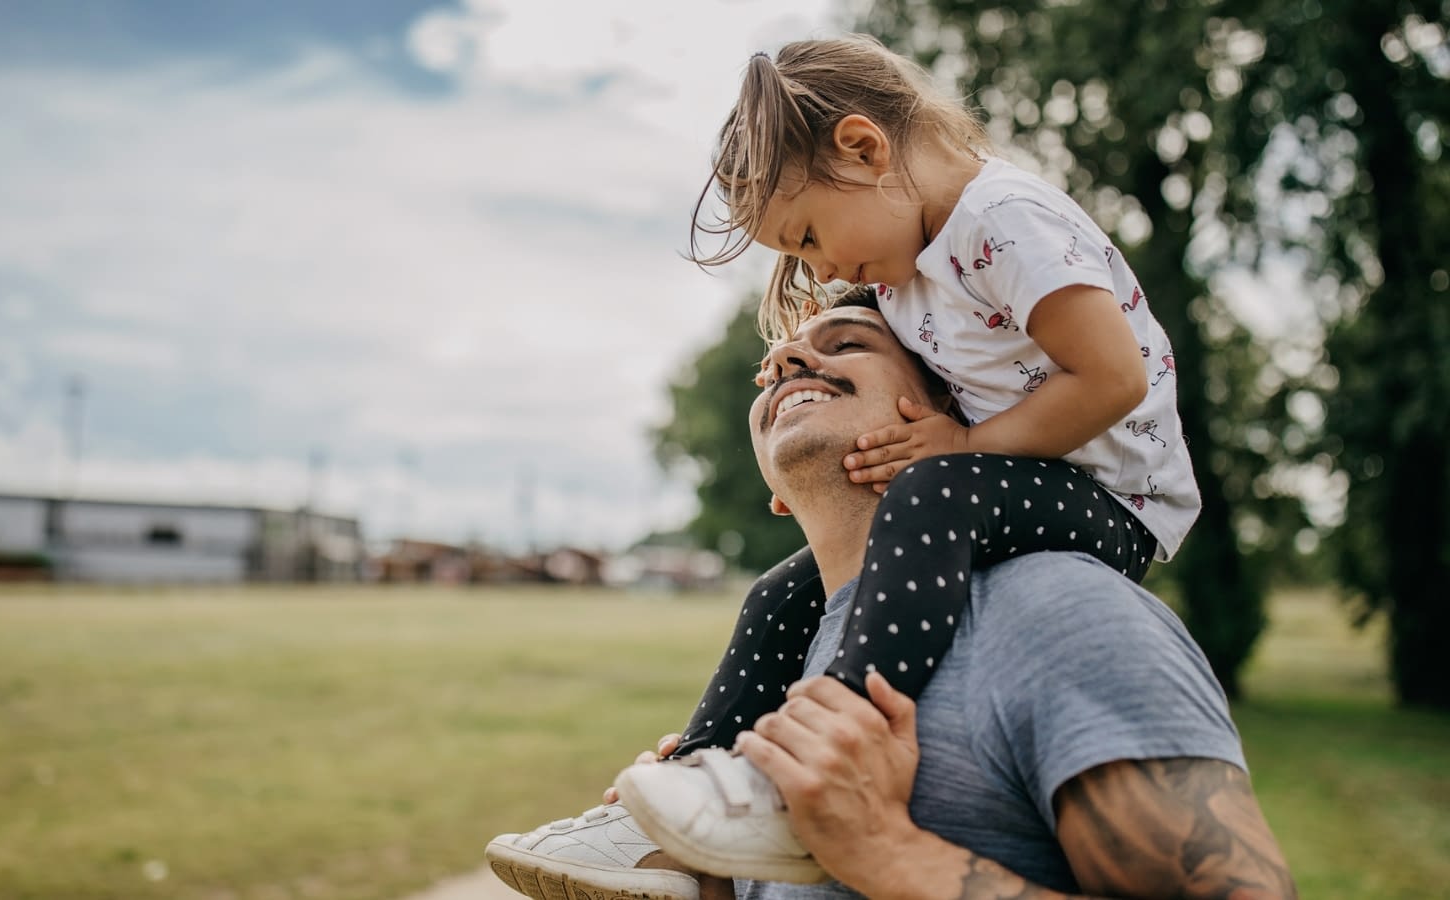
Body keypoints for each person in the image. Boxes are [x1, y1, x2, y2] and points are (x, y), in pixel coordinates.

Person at [613, 33, 1204, 876]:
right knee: (782, 592)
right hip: (1021, 476)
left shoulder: (1005, 220)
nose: (817, 266)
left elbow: (1112, 378)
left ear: (863, 147)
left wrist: (963, 444)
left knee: (936, 488)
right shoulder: (910, 265)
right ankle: (685, 800)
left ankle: (828, 752)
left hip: (1114, 498)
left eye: (809, 235)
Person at [486, 295, 1297, 900]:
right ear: (774, 489)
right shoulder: (792, 652)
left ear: (951, 410)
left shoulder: (1060, 612)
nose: (790, 364)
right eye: (773, 369)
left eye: (848, 342)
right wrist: (719, 881)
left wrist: (883, 847)